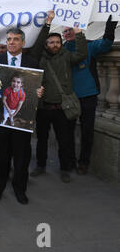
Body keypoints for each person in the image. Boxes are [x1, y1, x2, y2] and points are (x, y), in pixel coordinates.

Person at [0, 17, 52, 204]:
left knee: (22, 156)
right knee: (0, 156)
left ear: (23, 42)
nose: (12, 43)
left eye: (15, 39)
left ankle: (19, 189)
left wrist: (39, 91)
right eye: (9, 40)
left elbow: (36, 88)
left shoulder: (32, 63)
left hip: (23, 119)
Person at [31, 28, 88, 183]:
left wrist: (79, 34)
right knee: (41, 140)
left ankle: (65, 169)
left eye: (57, 42)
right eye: (51, 42)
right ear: (46, 44)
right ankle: (40, 166)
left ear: (61, 43)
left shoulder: (67, 56)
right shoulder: (38, 58)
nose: (55, 45)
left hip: (62, 108)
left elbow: (82, 54)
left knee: (64, 141)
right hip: (43, 107)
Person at [63, 16, 117, 175]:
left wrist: (111, 22)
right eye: (65, 31)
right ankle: (71, 160)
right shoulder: (60, 50)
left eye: (70, 30)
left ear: (78, 30)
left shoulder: (90, 46)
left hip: (89, 95)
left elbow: (106, 44)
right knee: (67, 131)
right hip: (69, 97)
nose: (67, 33)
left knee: (87, 131)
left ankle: (84, 162)